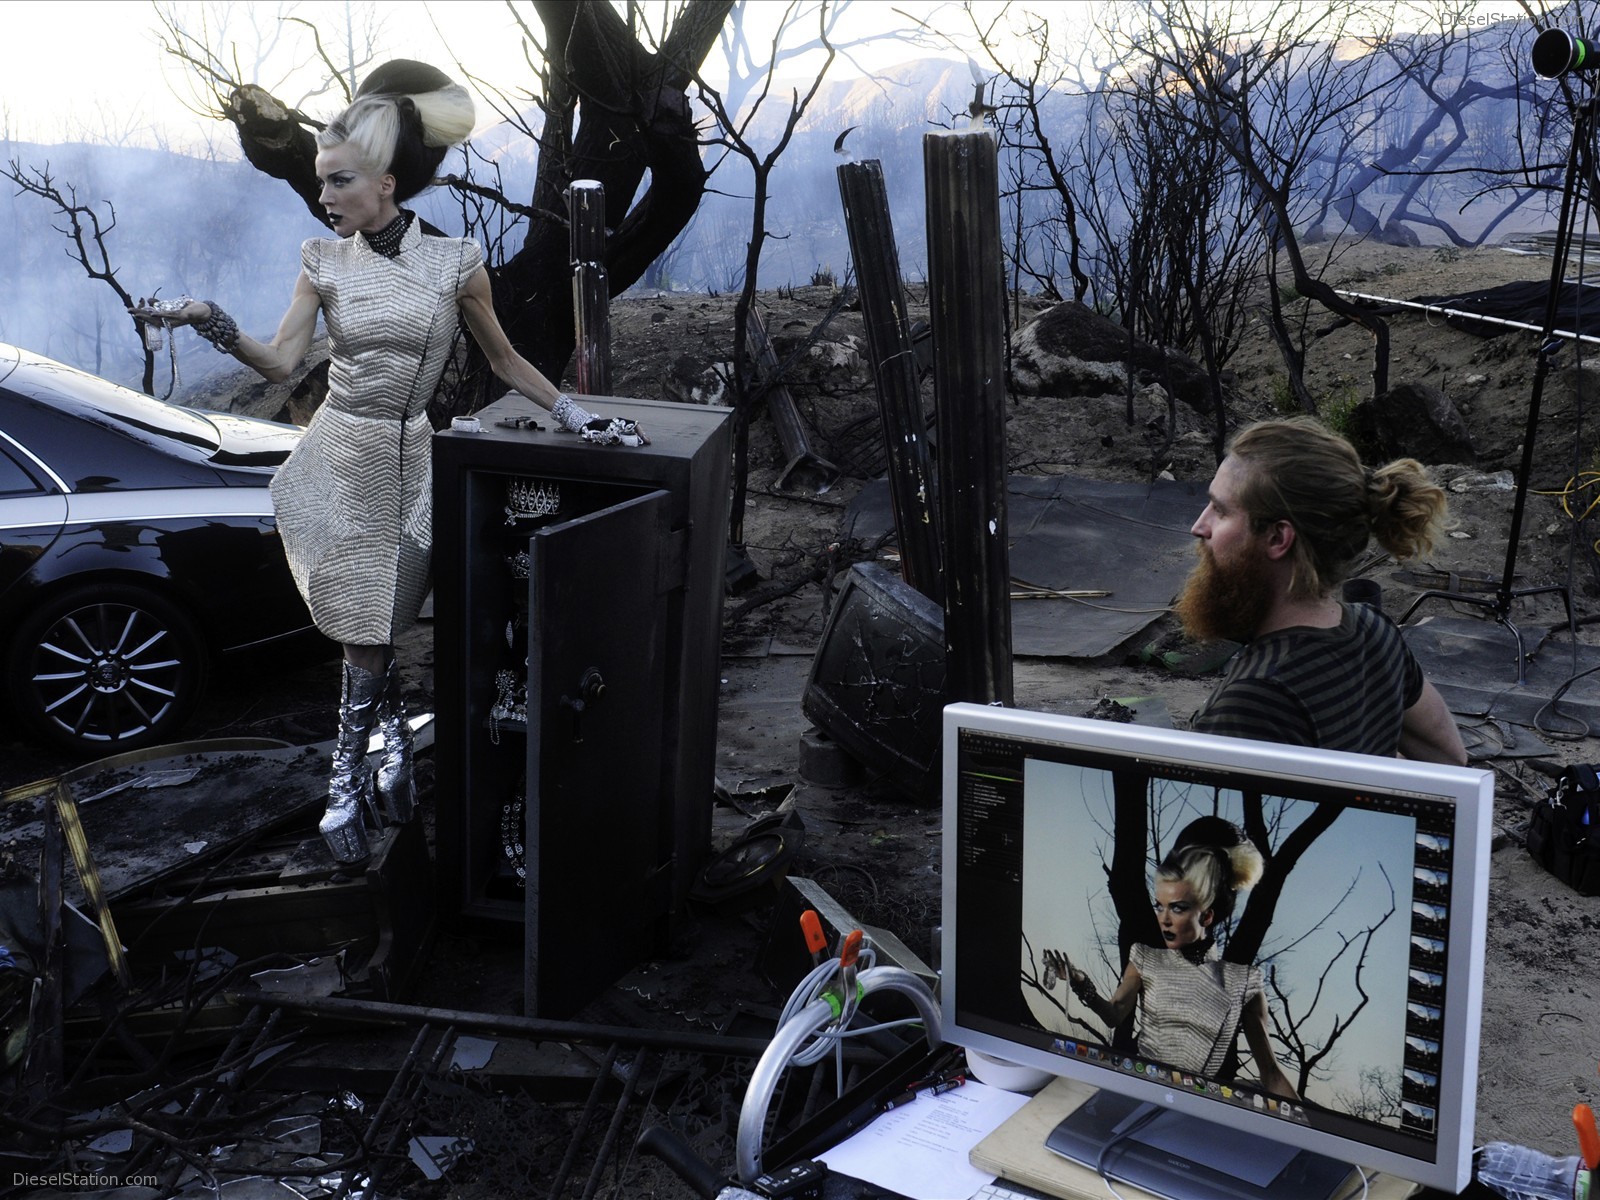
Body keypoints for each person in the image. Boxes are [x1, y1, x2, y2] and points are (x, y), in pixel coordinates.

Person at [132, 61, 644, 865]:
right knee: (362, 626)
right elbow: (278, 364)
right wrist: (211, 320)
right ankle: (360, 776)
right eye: (321, 183)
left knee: (378, 623)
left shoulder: (454, 264)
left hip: (407, 457)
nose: (326, 197)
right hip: (337, 449)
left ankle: (363, 773)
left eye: (339, 181)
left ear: (387, 182)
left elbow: (507, 362)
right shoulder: (323, 261)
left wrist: (581, 417)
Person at [1177, 417, 1466, 765]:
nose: (1199, 526)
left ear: (1277, 538)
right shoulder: (1375, 631)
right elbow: (1450, 759)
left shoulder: (1253, 701)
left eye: (1220, 511)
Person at [1044, 818, 1299, 1100]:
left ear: (1207, 915)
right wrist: (1080, 982)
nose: (1164, 920)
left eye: (1177, 908)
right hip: (1138, 1091)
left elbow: (1271, 1073)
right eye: (1159, 906)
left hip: (1198, 1106)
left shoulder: (1244, 981)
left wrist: (1311, 1132)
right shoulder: (1145, 957)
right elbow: (1114, 1013)